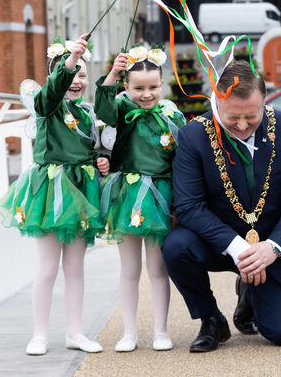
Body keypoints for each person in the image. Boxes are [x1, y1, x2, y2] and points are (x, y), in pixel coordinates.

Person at [162, 60, 281, 352]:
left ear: (263, 100)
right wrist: (236, 248)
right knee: (175, 246)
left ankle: (250, 294)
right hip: (218, 243)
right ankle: (211, 318)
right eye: (234, 117)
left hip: (272, 245)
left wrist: (272, 248)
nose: (244, 126)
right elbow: (188, 206)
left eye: (252, 116)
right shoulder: (193, 136)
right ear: (217, 101)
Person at [0, 33, 109, 356]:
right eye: (71, 74)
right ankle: (39, 334)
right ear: (55, 77)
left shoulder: (87, 114)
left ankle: (75, 332)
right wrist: (71, 59)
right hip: (50, 190)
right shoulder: (46, 106)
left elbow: (92, 150)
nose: (77, 80)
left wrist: (101, 162)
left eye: (83, 75)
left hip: (80, 190)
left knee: (76, 268)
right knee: (47, 267)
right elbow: (53, 92)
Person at [95, 45, 185, 352]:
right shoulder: (121, 111)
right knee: (129, 269)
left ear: (162, 84)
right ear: (126, 87)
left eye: (152, 87)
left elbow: (182, 159)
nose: (146, 94)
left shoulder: (172, 116)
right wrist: (112, 73)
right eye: (138, 88)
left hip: (160, 196)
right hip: (128, 194)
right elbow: (102, 109)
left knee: (158, 269)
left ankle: (161, 330)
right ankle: (129, 332)